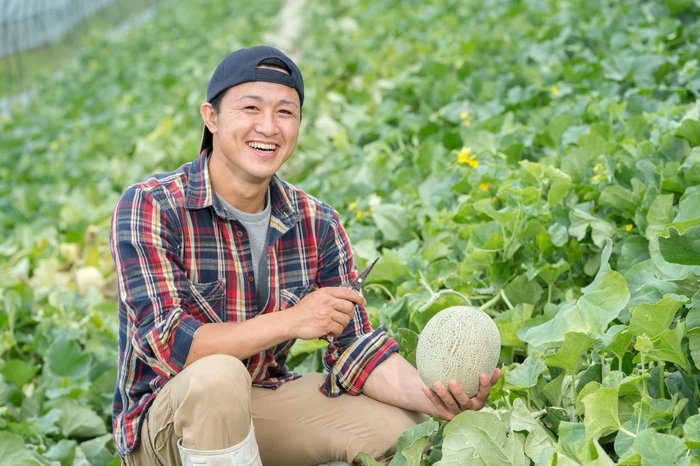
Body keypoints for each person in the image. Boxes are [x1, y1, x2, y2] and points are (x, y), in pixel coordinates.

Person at [110, 45, 501, 466]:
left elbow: (355, 348)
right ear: (212, 118)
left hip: (259, 403)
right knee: (219, 377)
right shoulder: (151, 205)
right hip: (168, 427)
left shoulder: (316, 222)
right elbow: (170, 343)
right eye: (250, 108)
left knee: (404, 427)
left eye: (285, 112)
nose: (268, 127)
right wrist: (293, 320)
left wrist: (436, 397)